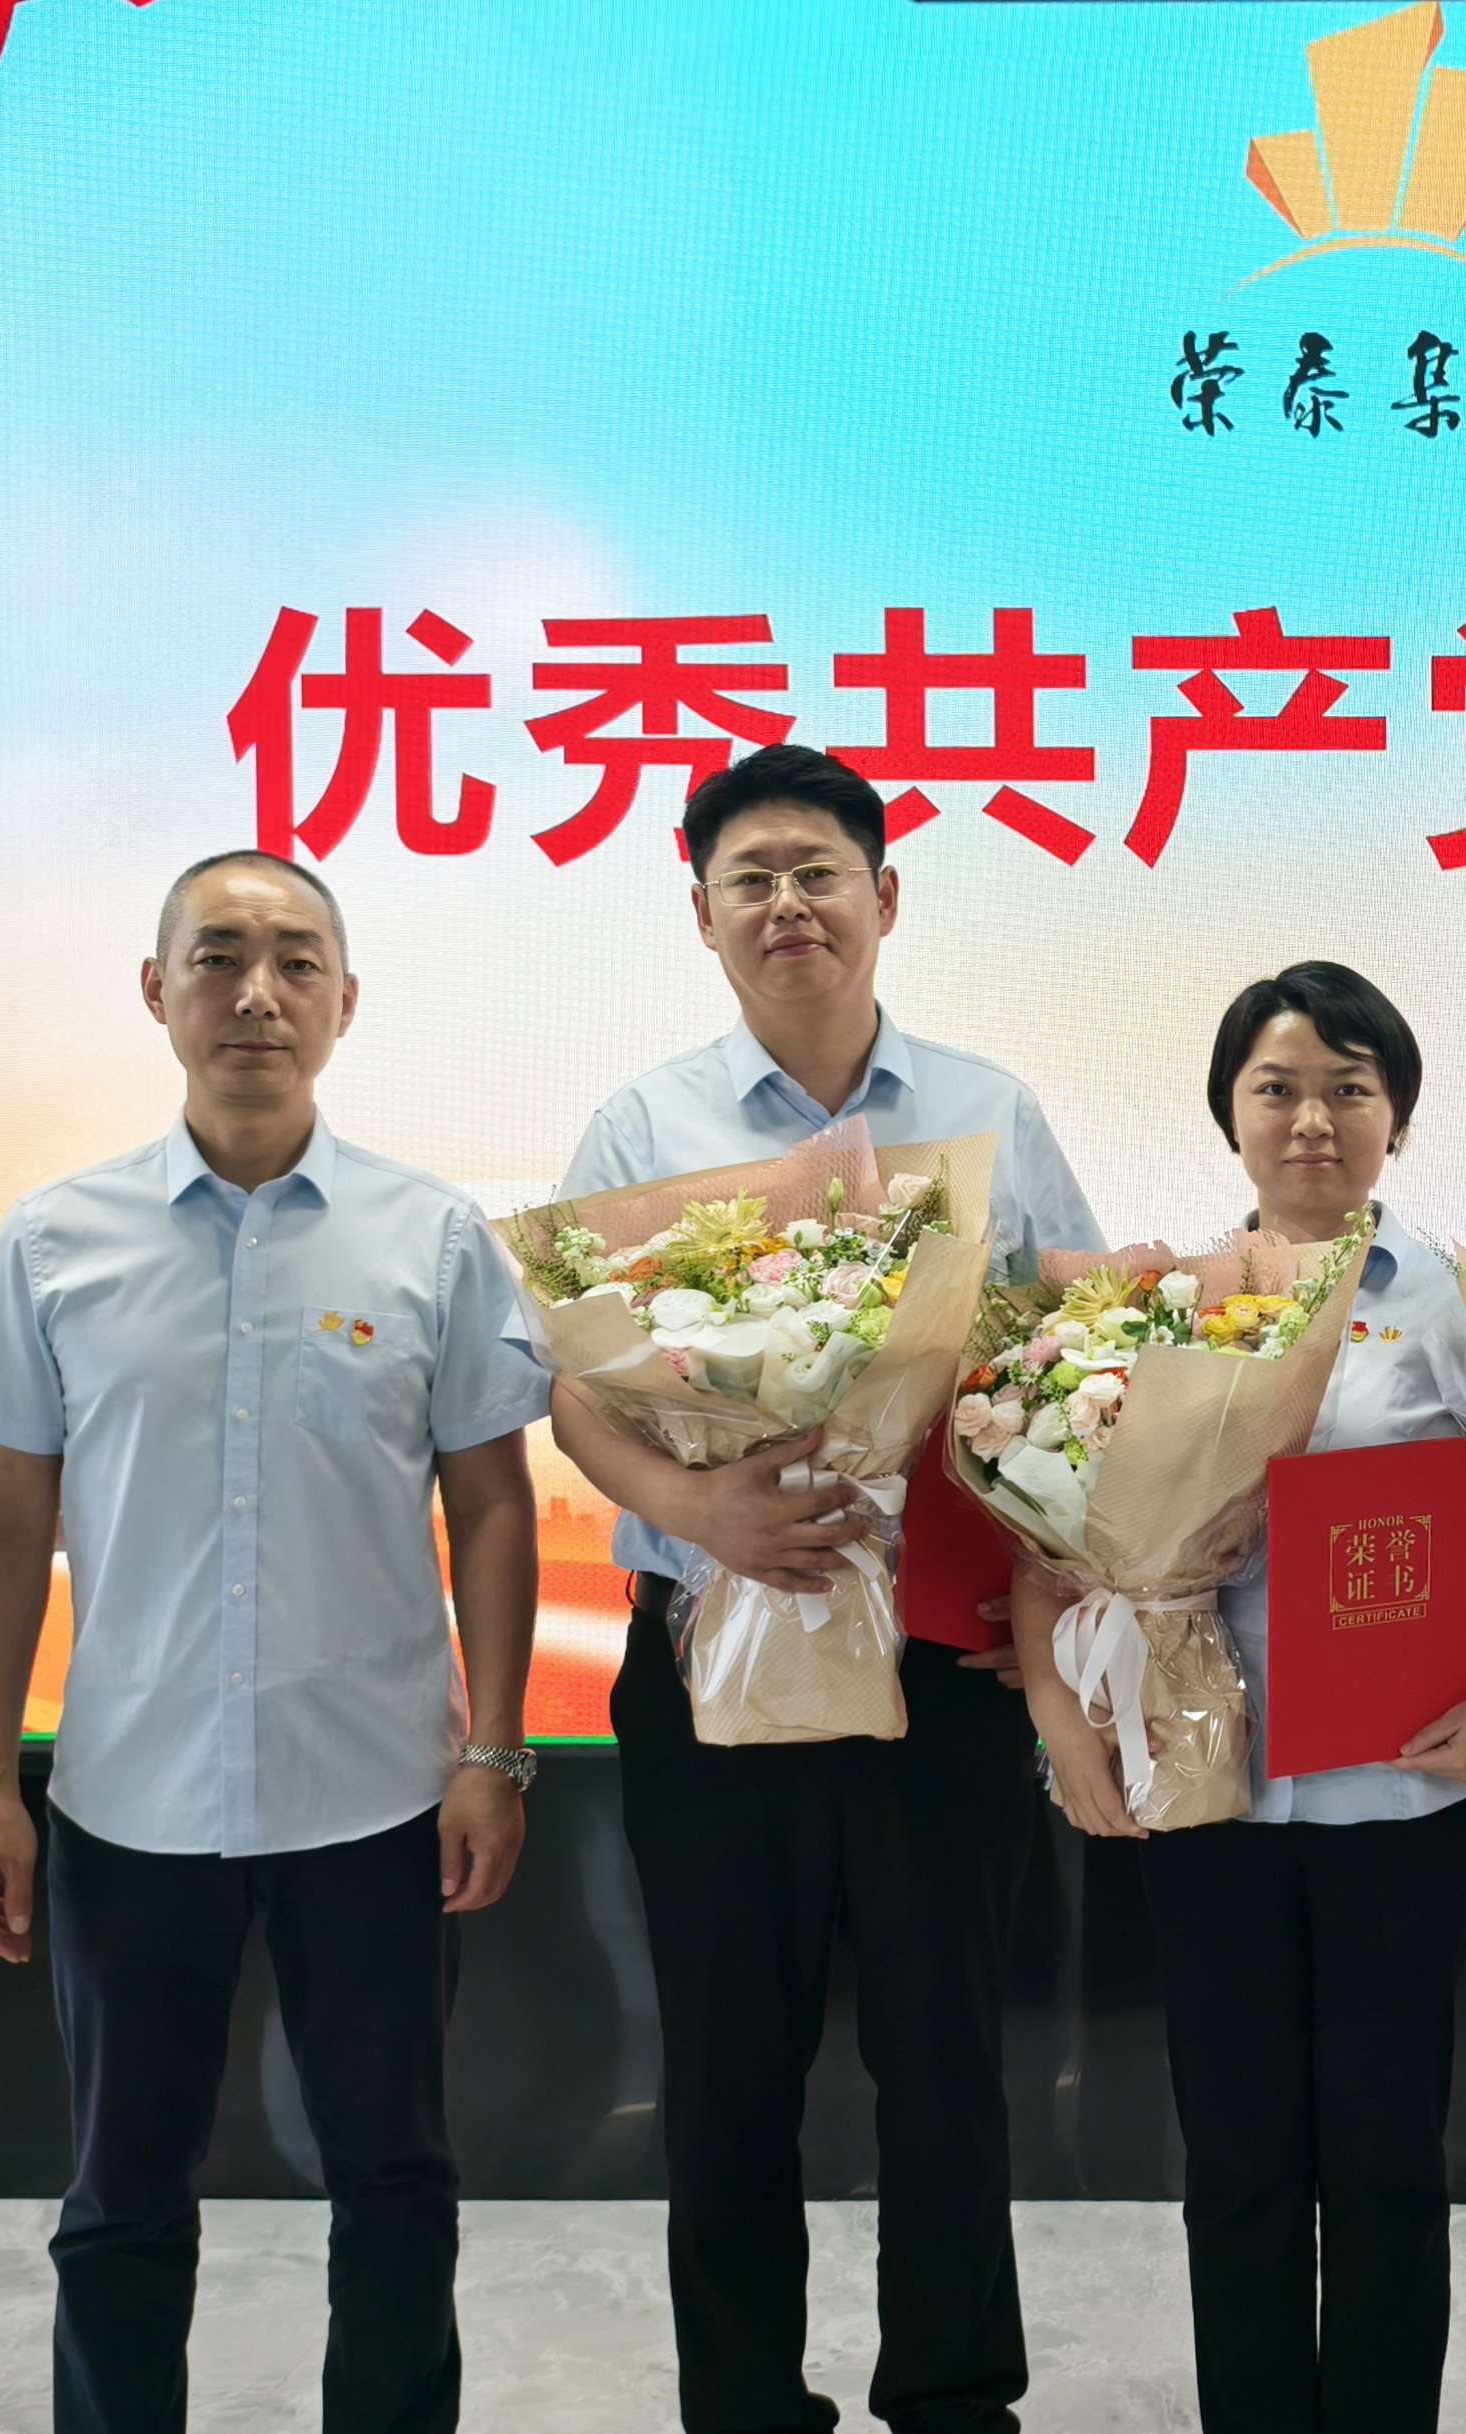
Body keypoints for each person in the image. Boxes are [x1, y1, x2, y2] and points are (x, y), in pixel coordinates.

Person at [0, 850, 550, 2434]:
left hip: (378, 1795)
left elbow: (491, 1503)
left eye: (294, 962)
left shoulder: (432, 1236)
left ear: (346, 1002)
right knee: (120, 2191)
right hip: (129, 1797)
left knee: (395, 2180)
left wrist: (493, 1751)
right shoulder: (55, 1239)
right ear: (158, 992)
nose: (255, 994)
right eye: (217, 957)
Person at [545, 741, 1101, 2434]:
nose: (787, 903)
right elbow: (573, 1387)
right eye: (751, 878)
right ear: (702, 913)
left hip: (937, 1662)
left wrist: (1047, 1592)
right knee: (726, 2065)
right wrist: (692, 1506)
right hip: (708, 1650)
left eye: (817, 871)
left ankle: (954, 2394)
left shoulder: (989, 1111)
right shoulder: (645, 1123)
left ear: (883, 896)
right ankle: (740, 2401)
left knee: (947, 2060)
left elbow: (1070, 1358)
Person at [1015, 961, 1466, 2434]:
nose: (1313, 1119)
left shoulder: (1459, 1305)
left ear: (1396, 1115)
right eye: (1278, 1089)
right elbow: (1055, 1533)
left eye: (1348, 1088)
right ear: (1230, 1114)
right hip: (1211, 1789)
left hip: (1403, 1783)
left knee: (1389, 2155)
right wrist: (1062, 1724)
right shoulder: (1159, 1308)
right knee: (1239, 2156)